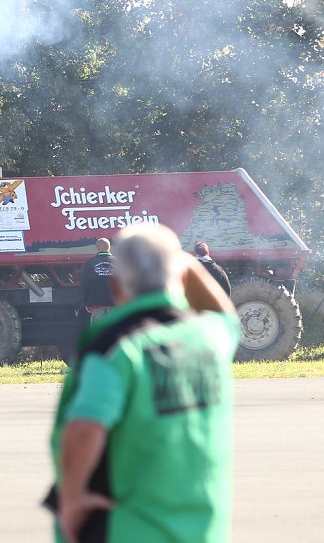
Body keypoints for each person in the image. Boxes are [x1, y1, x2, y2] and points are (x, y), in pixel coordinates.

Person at [48, 223, 239, 543]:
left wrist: (72, 496)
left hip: (128, 528)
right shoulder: (211, 338)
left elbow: (85, 426)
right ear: (180, 277)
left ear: (116, 285)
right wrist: (185, 262)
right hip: (204, 529)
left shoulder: (116, 349)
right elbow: (225, 315)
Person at [80, 238, 116, 324]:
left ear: (97, 248)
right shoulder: (118, 262)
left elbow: (86, 283)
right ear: (109, 247)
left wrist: (86, 303)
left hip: (97, 307)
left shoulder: (90, 263)